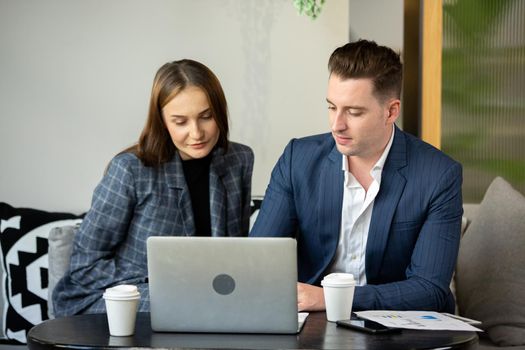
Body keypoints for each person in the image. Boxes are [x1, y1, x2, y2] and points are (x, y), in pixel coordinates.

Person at [250, 40, 462, 314]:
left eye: (353, 112)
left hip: (395, 324)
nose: (337, 124)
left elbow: (429, 289)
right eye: (331, 107)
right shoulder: (298, 160)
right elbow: (257, 261)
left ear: (391, 111)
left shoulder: (438, 175)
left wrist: (332, 299)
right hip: (311, 322)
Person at [53, 59, 254, 316]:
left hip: (206, 298)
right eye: (180, 122)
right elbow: (84, 268)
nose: (196, 133)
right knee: (190, 309)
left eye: (206, 117)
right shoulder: (130, 169)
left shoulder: (239, 159)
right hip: (115, 296)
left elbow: (235, 252)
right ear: (162, 121)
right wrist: (170, 285)